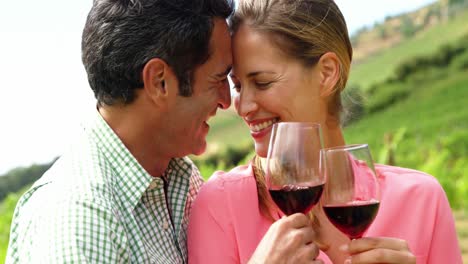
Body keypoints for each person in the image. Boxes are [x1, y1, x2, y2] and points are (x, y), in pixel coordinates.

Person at [187, 0, 462, 263]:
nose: (243, 107)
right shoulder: (220, 206)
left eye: (262, 82)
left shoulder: (422, 201)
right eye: (238, 86)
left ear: (327, 73)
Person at [6, 0, 233, 262]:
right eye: (218, 78)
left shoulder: (180, 178)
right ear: (159, 82)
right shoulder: (77, 219)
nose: (227, 101)